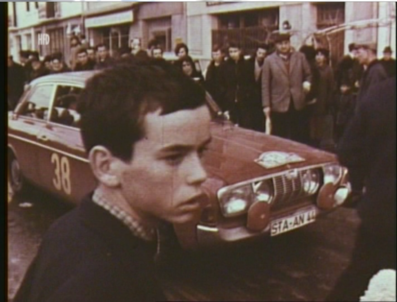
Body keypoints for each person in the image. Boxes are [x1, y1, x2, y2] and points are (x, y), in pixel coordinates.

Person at [13, 58, 212, 302]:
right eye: (173, 157)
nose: (200, 173)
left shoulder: (71, 228)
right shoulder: (99, 283)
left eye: (200, 151)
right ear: (105, 166)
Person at [326, 77, 396, 302]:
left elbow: (348, 151)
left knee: (358, 277)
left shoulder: (381, 92)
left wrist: (376, 176)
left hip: (383, 210)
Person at [261, 32, 312, 142]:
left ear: (289, 43)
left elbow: (308, 74)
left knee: (299, 135)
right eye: (280, 44)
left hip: (297, 102)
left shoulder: (300, 57)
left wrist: (307, 83)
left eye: (286, 43)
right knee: (280, 136)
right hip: (278, 103)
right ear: (276, 45)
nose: (284, 46)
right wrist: (266, 105)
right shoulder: (269, 60)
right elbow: (265, 84)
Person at [218, 41, 251, 127]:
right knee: (232, 123)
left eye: (235, 51)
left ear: (240, 51)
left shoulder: (246, 65)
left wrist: (247, 94)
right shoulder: (224, 66)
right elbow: (221, 83)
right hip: (230, 100)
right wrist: (226, 94)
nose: (233, 54)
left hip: (244, 100)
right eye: (231, 52)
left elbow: (250, 82)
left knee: (245, 124)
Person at [309, 48, 335, 150]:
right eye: (317, 55)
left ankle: (320, 142)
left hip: (323, 99)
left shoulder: (328, 70)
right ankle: (312, 141)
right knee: (312, 122)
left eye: (321, 55)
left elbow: (331, 87)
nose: (319, 57)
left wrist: (329, 100)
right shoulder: (311, 68)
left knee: (320, 123)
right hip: (312, 99)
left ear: (325, 57)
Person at [355, 42, 388, 111]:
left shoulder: (376, 71)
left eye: (359, 52)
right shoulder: (371, 70)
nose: (356, 56)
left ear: (368, 51)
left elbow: (373, 101)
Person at [244, 43, 268, 132]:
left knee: (260, 124)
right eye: (259, 53)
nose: (261, 56)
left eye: (263, 54)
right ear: (256, 52)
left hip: (261, 98)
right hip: (249, 98)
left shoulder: (267, 64)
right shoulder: (248, 63)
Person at [205, 45, 225, 111]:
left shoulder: (225, 66)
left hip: (223, 94)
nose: (215, 56)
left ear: (222, 54)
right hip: (212, 94)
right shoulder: (210, 67)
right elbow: (208, 80)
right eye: (214, 54)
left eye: (217, 54)